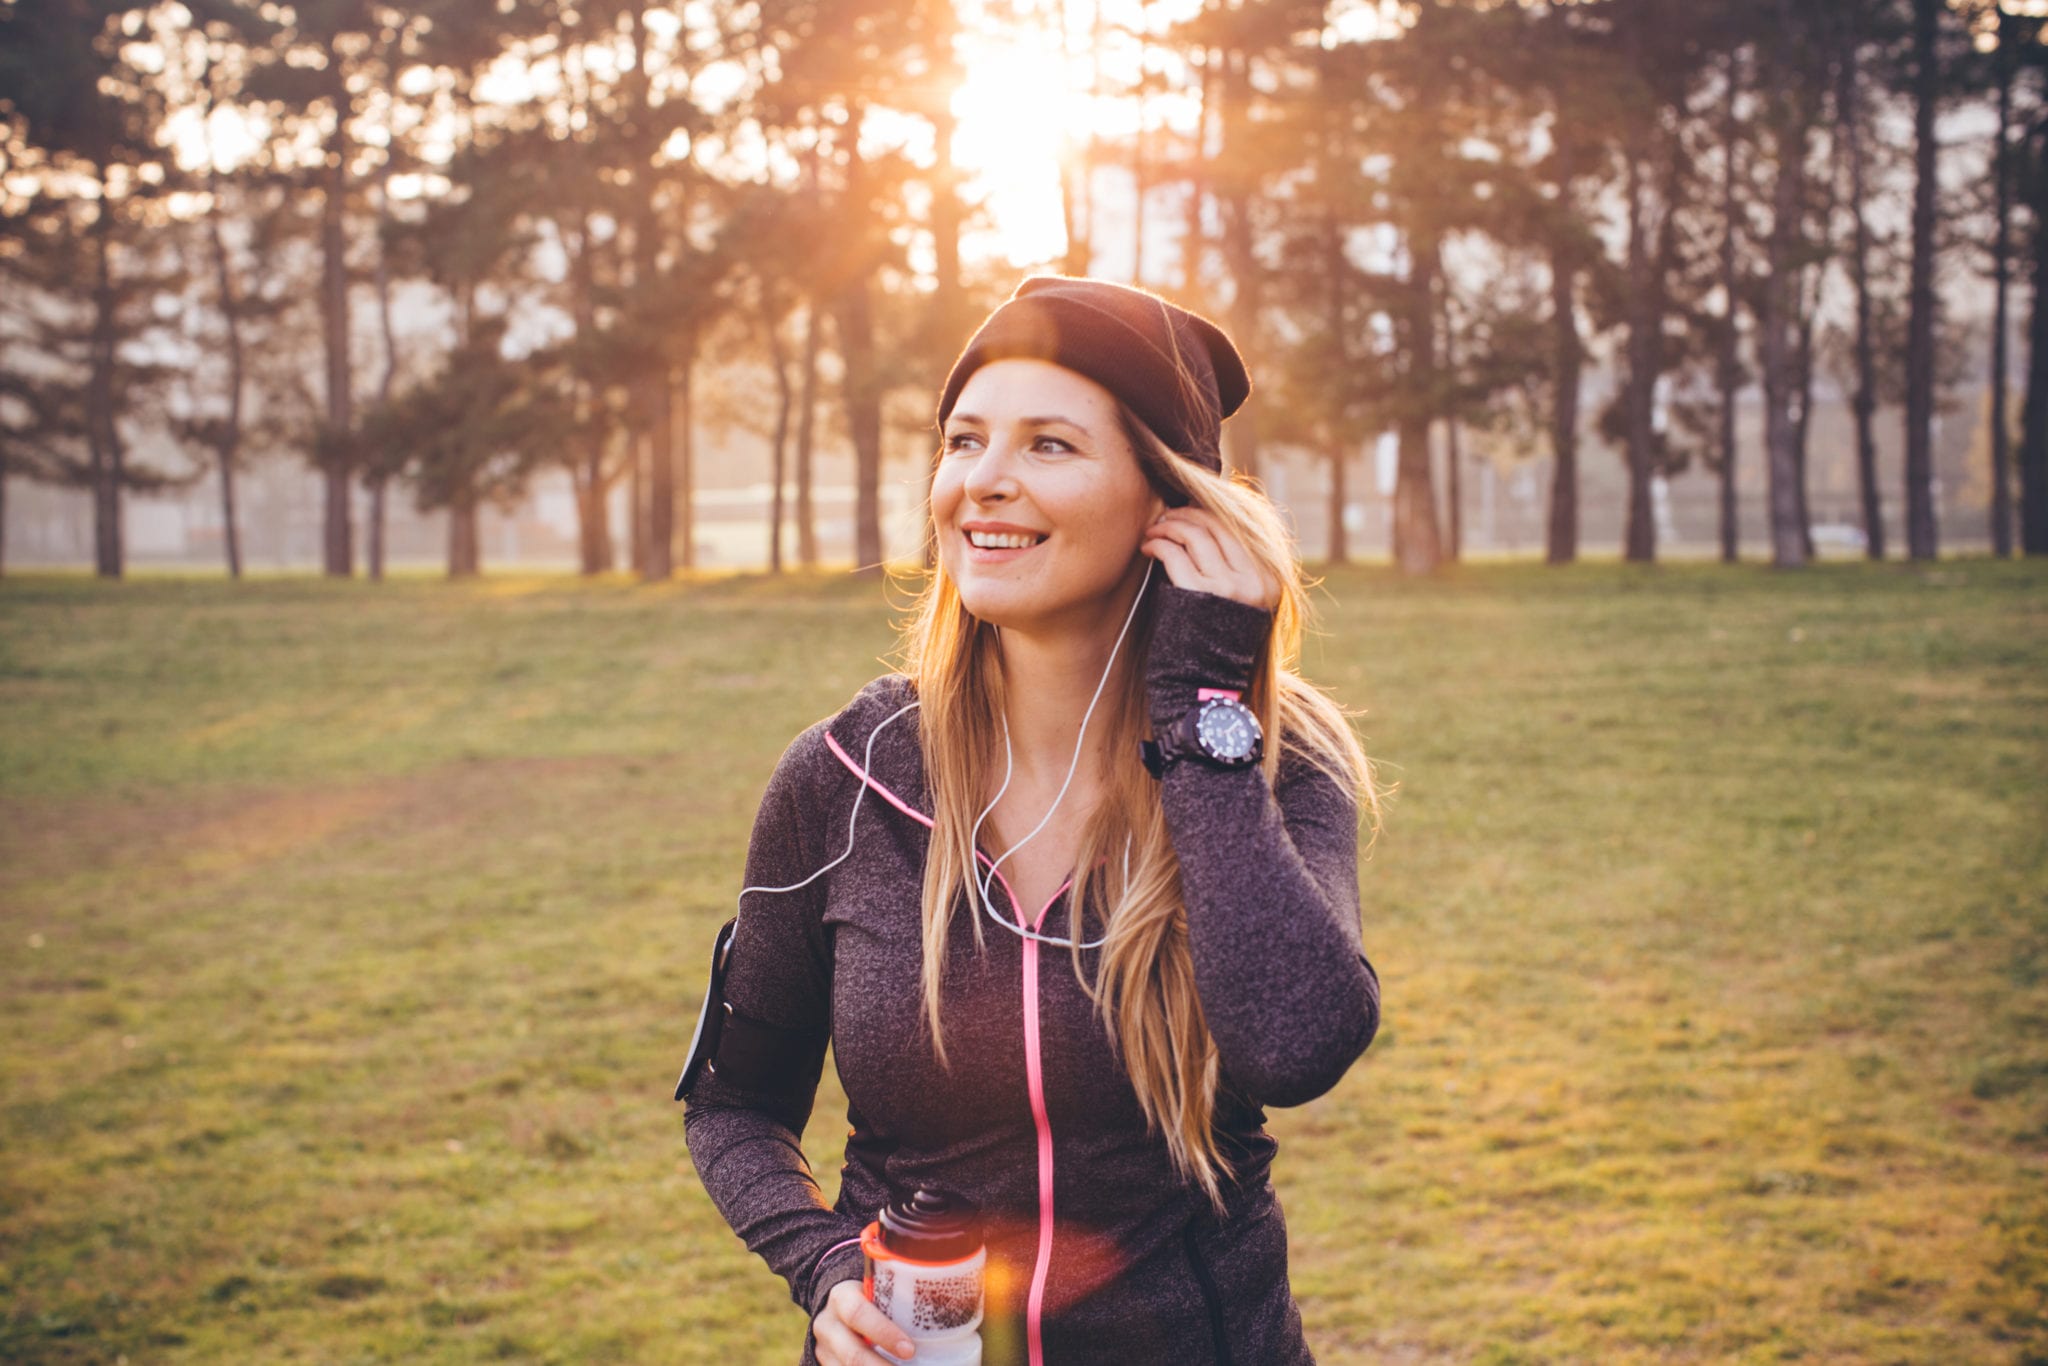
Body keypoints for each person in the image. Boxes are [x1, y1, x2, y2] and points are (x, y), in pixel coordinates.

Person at [679, 275, 1387, 1366]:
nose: (983, 484)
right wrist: (825, 1273)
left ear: (1170, 505)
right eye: (964, 441)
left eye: (1048, 445)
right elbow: (732, 1105)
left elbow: (1295, 1044)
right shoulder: (844, 776)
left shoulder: (1268, 760)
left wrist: (1204, 716)